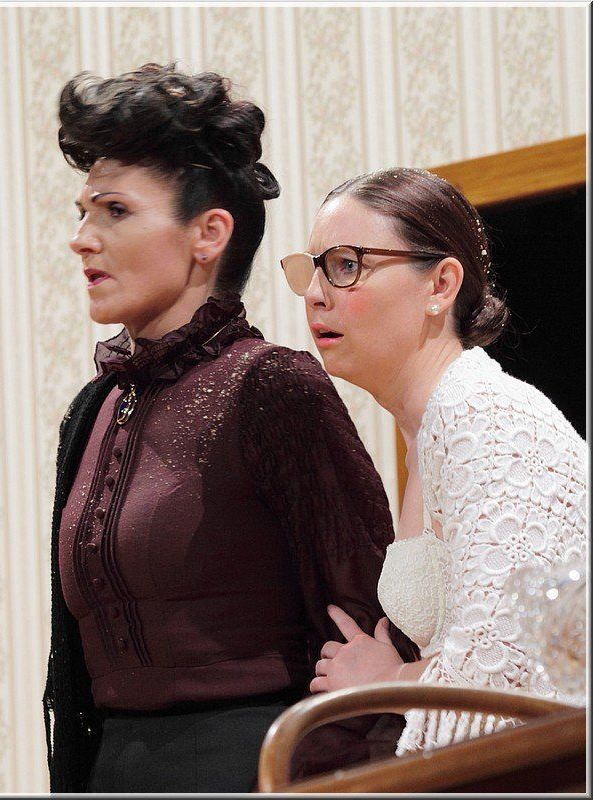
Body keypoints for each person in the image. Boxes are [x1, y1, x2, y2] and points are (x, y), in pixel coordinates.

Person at [42, 64, 416, 793]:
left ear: (209, 233)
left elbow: (364, 636)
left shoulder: (271, 386)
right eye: (82, 212)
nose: (82, 239)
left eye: (114, 211)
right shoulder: (93, 409)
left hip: (253, 768)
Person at [280, 167, 588, 755]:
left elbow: (512, 671)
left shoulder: (484, 412)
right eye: (313, 269)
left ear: (441, 285)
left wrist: (390, 680)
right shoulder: (432, 427)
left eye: (346, 265)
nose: (316, 293)